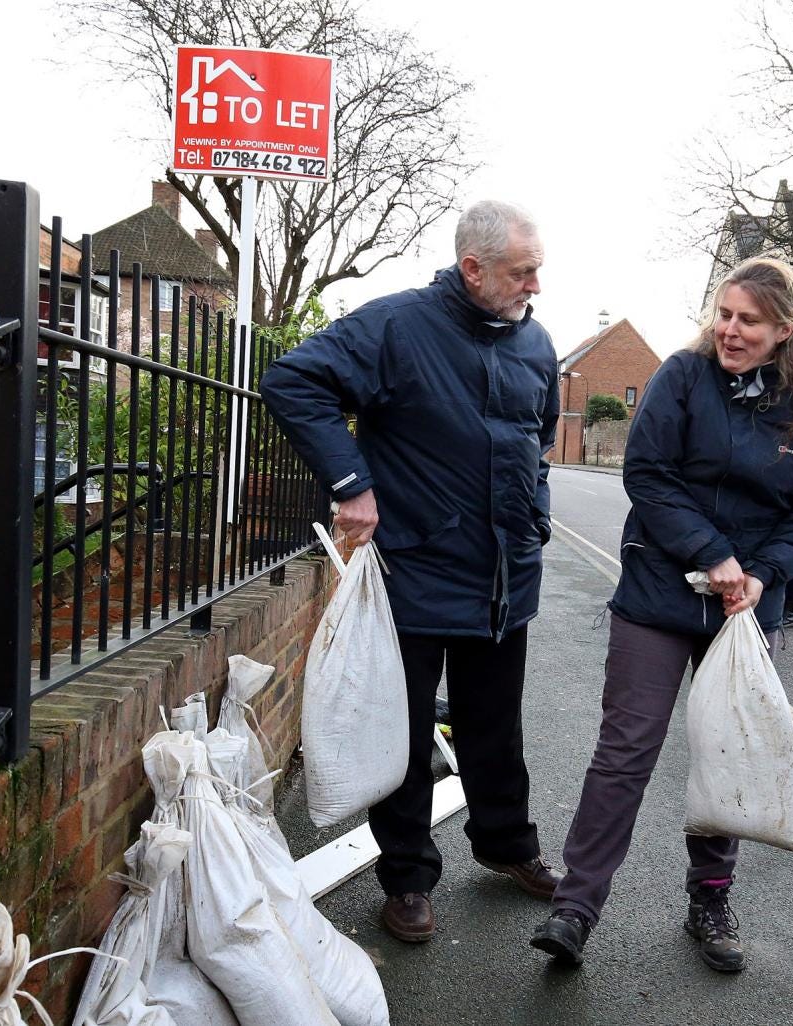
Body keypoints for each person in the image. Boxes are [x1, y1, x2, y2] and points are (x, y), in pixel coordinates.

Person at [260, 200, 562, 945]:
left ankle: (505, 846)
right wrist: (350, 483)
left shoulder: (537, 342)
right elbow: (293, 381)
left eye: (537, 271)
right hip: (418, 569)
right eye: (523, 272)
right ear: (474, 268)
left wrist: (538, 516)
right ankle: (407, 880)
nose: (535, 286)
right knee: (405, 736)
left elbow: (537, 441)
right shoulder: (396, 327)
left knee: (497, 728)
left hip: (504, 578)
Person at [529, 256, 793, 972]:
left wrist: (760, 575)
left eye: (748, 321)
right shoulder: (681, 377)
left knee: (724, 749)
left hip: (742, 609)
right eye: (724, 314)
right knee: (626, 749)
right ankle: (576, 907)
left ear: (784, 330)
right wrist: (711, 551)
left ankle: (711, 899)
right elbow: (649, 475)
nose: (729, 330)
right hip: (660, 595)